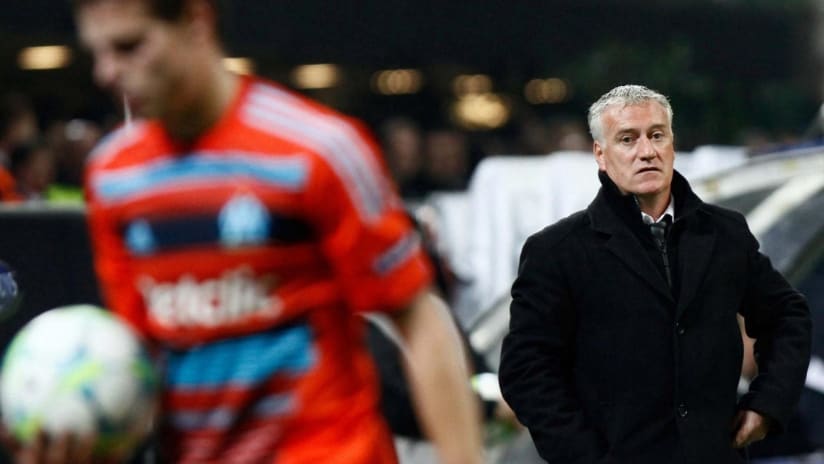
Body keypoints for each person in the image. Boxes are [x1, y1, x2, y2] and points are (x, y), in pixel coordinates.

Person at [2, 0, 484, 462]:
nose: (106, 72)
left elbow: (421, 322)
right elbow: (138, 361)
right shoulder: (112, 177)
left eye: (129, 46)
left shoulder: (317, 149)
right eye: (98, 52)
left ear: (197, 20)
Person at [498, 84, 812, 464]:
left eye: (656, 135)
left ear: (672, 144)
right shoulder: (558, 250)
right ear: (601, 154)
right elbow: (527, 371)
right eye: (627, 139)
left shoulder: (724, 233)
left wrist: (767, 403)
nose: (646, 151)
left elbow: (787, 316)